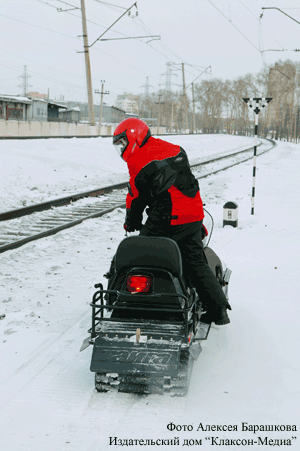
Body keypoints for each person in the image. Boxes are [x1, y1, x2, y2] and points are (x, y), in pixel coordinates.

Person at [111, 118, 231, 325]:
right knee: (196, 262)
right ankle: (218, 310)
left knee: (141, 254)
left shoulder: (138, 159)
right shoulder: (174, 148)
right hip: (193, 214)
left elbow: (136, 197)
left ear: (134, 136)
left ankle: (128, 302)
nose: (122, 149)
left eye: (122, 142)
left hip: (168, 217)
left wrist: (131, 223)